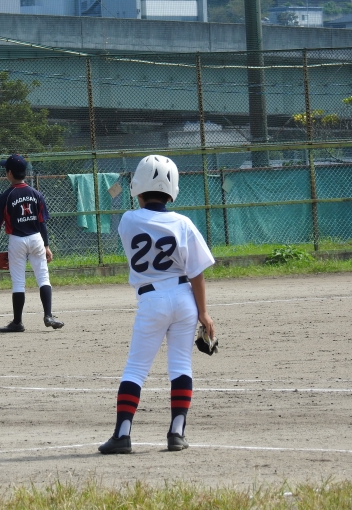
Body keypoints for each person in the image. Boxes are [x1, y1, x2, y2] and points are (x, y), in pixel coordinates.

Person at [98, 154, 215, 454]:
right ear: (172, 190)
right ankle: (177, 433)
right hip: (184, 297)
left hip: (151, 299)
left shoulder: (128, 220)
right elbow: (196, 272)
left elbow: (141, 216)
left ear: (138, 188)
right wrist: (204, 313)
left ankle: (122, 435)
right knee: (181, 365)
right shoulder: (183, 223)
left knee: (136, 369)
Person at [0, 154, 64, 333]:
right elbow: (42, 222)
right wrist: (46, 245)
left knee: (18, 283)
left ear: (9, 173)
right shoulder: (36, 194)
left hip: (17, 240)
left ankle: (17, 322)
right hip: (36, 239)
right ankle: (48, 315)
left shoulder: (6, 196)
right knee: (43, 277)